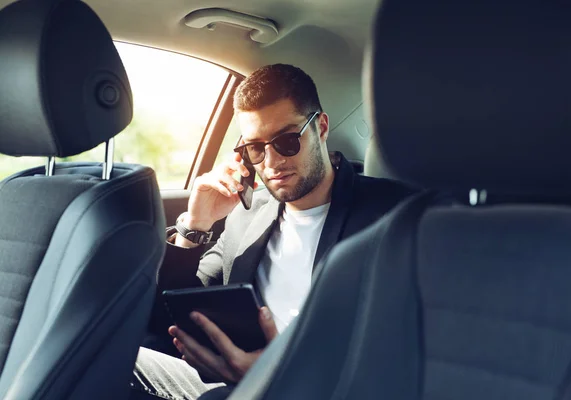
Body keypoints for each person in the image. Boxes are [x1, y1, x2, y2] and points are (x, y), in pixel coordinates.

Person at [130, 64, 416, 400]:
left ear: (321, 128)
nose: (271, 162)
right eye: (255, 148)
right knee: (114, 358)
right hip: (233, 382)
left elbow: (404, 346)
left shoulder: (396, 214)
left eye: (286, 141)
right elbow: (184, 308)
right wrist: (195, 225)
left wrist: (280, 372)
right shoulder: (246, 217)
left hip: (327, 389)